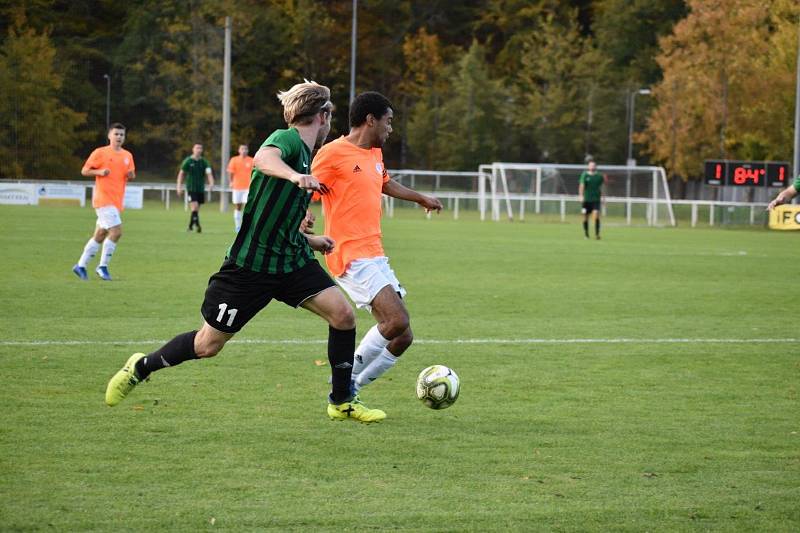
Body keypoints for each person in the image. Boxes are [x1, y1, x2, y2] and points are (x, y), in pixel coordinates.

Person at [104, 80, 385, 423]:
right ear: (322, 115)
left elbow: (280, 218)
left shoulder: (308, 159)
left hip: (290, 260)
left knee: (343, 317)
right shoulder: (287, 140)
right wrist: (295, 176)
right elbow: (264, 159)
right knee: (208, 345)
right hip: (249, 267)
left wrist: (312, 240)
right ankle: (141, 366)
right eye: (330, 115)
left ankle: (342, 401)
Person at [311, 91, 442, 402]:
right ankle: (342, 382)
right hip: (348, 252)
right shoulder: (332, 154)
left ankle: (352, 386)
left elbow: (384, 182)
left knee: (403, 337)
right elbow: (307, 187)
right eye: (389, 121)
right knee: (396, 321)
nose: (391, 128)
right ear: (370, 120)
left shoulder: (373, 153)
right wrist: (303, 215)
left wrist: (419, 197)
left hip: (374, 254)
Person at [72, 123, 135, 281]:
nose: (119, 137)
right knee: (116, 232)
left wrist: (130, 175)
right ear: (109, 136)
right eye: (116, 134)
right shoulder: (100, 152)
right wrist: (100, 171)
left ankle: (80, 266)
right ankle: (102, 267)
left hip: (116, 201)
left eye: (122, 134)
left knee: (100, 234)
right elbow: (84, 170)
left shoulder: (127, 155)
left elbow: (130, 174)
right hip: (103, 199)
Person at [177, 144, 214, 232]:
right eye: (197, 148)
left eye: (200, 148)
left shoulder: (204, 162)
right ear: (193, 149)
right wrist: (179, 186)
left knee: (196, 209)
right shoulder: (188, 161)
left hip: (200, 188)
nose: (199, 150)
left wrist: (211, 183)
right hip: (191, 188)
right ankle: (197, 226)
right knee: (194, 207)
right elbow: (181, 174)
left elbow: (209, 173)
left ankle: (191, 226)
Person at [227, 144, 254, 232]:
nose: (244, 150)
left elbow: (254, 173)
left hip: (248, 187)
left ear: (248, 150)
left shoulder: (251, 160)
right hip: (237, 187)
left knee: (248, 205)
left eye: (245, 149)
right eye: (242, 149)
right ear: (239, 150)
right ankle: (238, 226)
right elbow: (230, 172)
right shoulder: (234, 160)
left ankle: (246, 226)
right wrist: (230, 182)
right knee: (238, 206)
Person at [578, 160, 606, 240]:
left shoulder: (599, 176)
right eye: (591, 165)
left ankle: (597, 234)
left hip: (596, 200)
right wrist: (580, 196)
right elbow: (581, 186)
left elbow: (602, 187)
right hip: (586, 200)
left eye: (594, 165)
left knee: (596, 215)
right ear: (588, 167)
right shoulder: (584, 175)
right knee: (585, 217)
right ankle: (586, 234)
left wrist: (603, 197)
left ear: (596, 167)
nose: (592, 167)